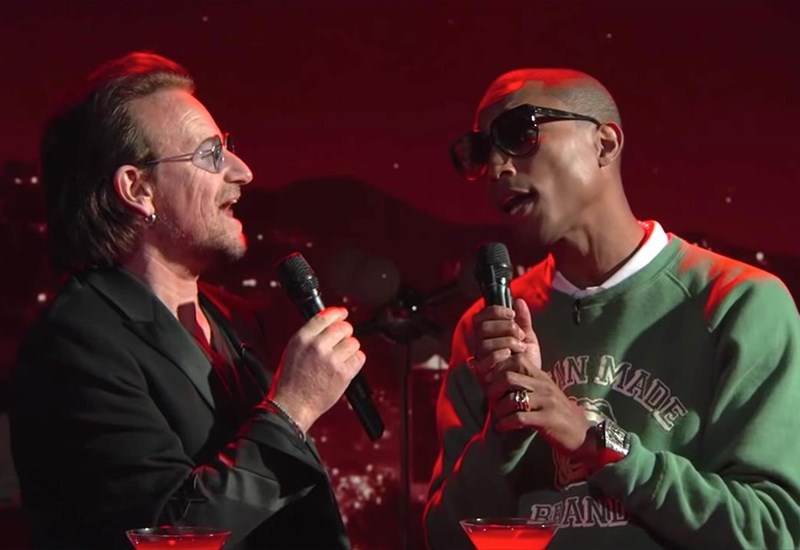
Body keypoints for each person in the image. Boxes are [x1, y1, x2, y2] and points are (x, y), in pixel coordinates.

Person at [424, 68, 800, 549]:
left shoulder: (738, 303)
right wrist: (503, 432)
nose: (497, 167)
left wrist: (597, 443)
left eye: (519, 134)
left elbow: (773, 532)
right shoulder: (488, 331)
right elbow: (448, 540)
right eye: (480, 151)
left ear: (604, 143)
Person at [9, 51, 365, 550]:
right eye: (211, 154)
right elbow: (167, 536)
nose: (243, 171)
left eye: (228, 148)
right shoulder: (74, 346)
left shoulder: (235, 321)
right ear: (138, 188)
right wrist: (293, 409)